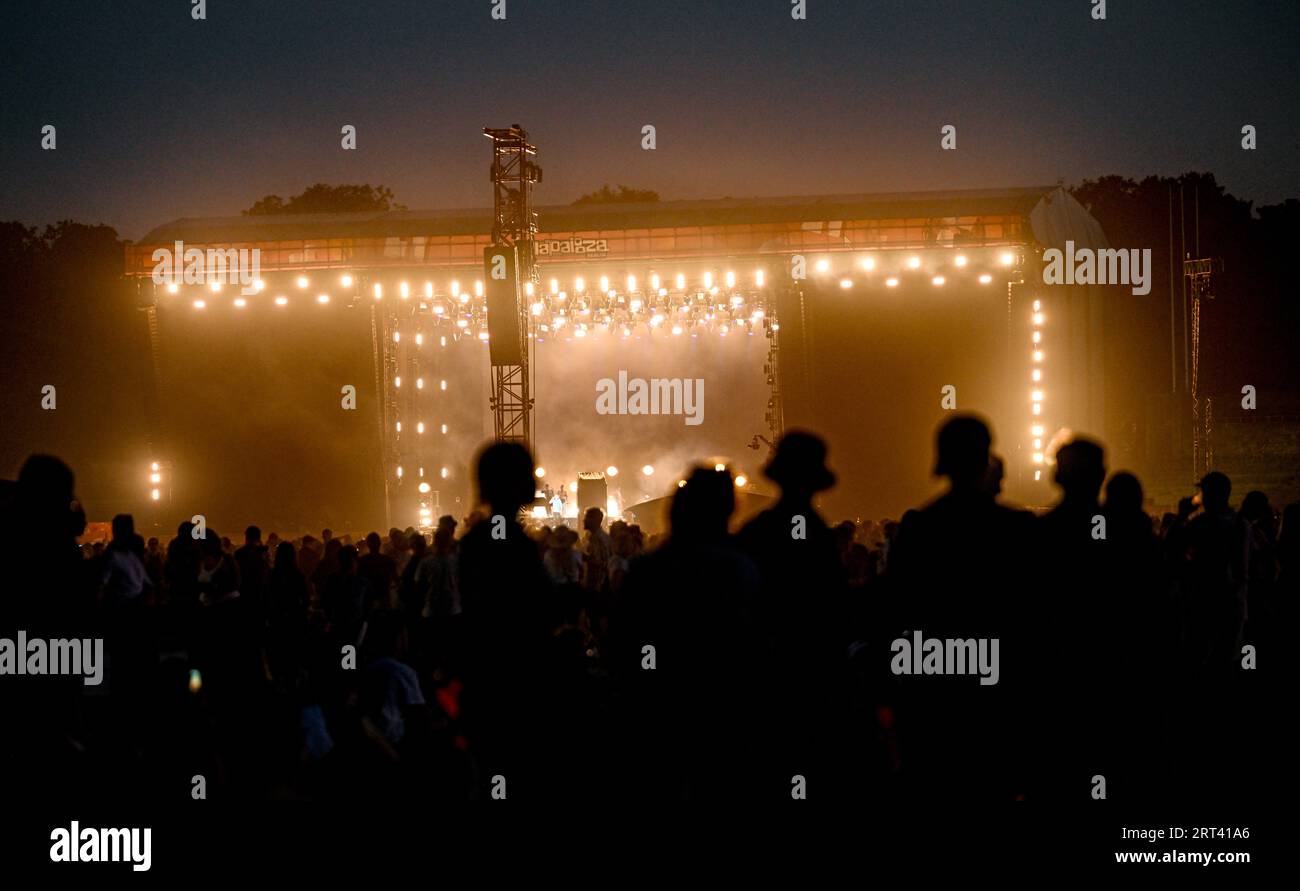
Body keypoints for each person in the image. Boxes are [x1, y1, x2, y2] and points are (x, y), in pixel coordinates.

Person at [885, 415, 1034, 801]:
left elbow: (897, 612)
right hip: (998, 694)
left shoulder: (919, 529)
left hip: (936, 693)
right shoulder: (1015, 528)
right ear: (986, 458)